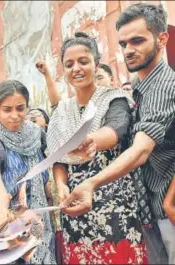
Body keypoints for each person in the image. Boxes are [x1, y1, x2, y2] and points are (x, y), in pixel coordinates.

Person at [60, 4, 175, 264]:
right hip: (150, 210)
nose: (128, 50)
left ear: (162, 39)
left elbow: (141, 151)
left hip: (168, 210)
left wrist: (91, 183)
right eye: (123, 43)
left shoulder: (165, 86)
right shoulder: (138, 86)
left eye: (137, 41)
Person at [46, 32, 147, 264]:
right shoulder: (61, 111)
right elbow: (58, 158)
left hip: (114, 203)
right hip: (76, 205)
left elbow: (116, 128)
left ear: (96, 63)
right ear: (63, 70)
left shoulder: (114, 98)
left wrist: (90, 140)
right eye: (69, 64)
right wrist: (61, 186)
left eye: (83, 61)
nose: (76, 69)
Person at [0, 80, 56, 264]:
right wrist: (1, 221)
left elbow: (44, 176)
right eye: (7, 110)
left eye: (20, 108)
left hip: (42, 221)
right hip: (13, 227)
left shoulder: (38, 135)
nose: (14, 116)